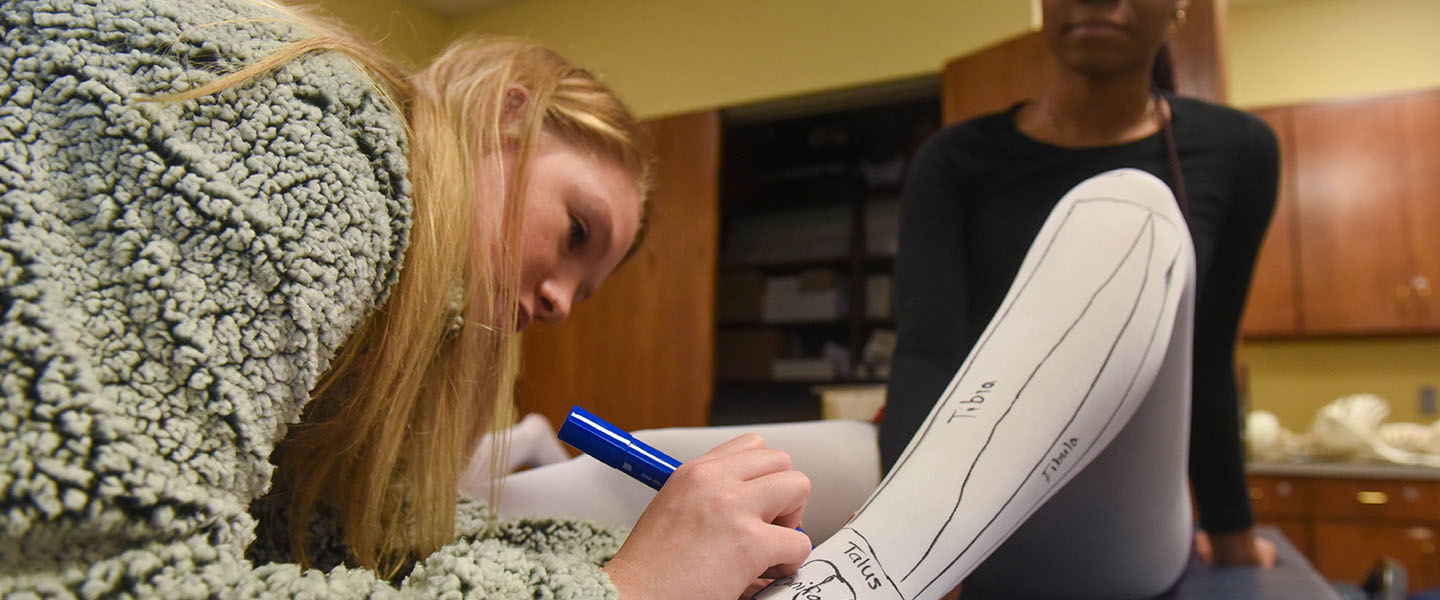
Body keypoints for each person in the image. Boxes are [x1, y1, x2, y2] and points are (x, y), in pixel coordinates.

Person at [0, 0, 809, 597]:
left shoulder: (388, 333)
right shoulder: (316, 140)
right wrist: (626, 588)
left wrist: (641, 556)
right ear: (504, 113)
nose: (562, 305)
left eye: (587, 291)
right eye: (574, 232)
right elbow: (100, 574)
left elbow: (332, 552)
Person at [878, 0, 1280, 594]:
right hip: (978, 513)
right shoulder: (956, 160)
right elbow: (927, 352)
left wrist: (1231, 531)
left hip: (1134, 521)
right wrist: (904, 539)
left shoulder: (1238, 150)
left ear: (1180, 7)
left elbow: (1205, 359)